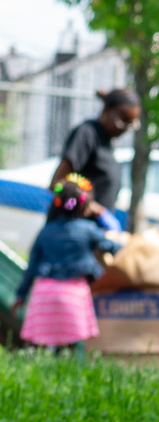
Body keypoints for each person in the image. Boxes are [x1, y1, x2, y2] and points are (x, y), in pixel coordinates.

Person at [13, 175, 123, 356]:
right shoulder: (88, 229)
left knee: (44, 344)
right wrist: (101, 213)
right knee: (74, 344)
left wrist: (21, 295)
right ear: (85, 204)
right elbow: (114, 240)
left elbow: (31, 266)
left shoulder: (45, 232)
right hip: (73, 294)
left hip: (44, 295)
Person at [50, 88, 140, 225]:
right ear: (107, 109)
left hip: (93, 234)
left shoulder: (107, 143)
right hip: (72, 231)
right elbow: (56, 184)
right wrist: (90, 206)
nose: (124, 129)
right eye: (122, 121)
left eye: (130, 125)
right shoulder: (87, 134)